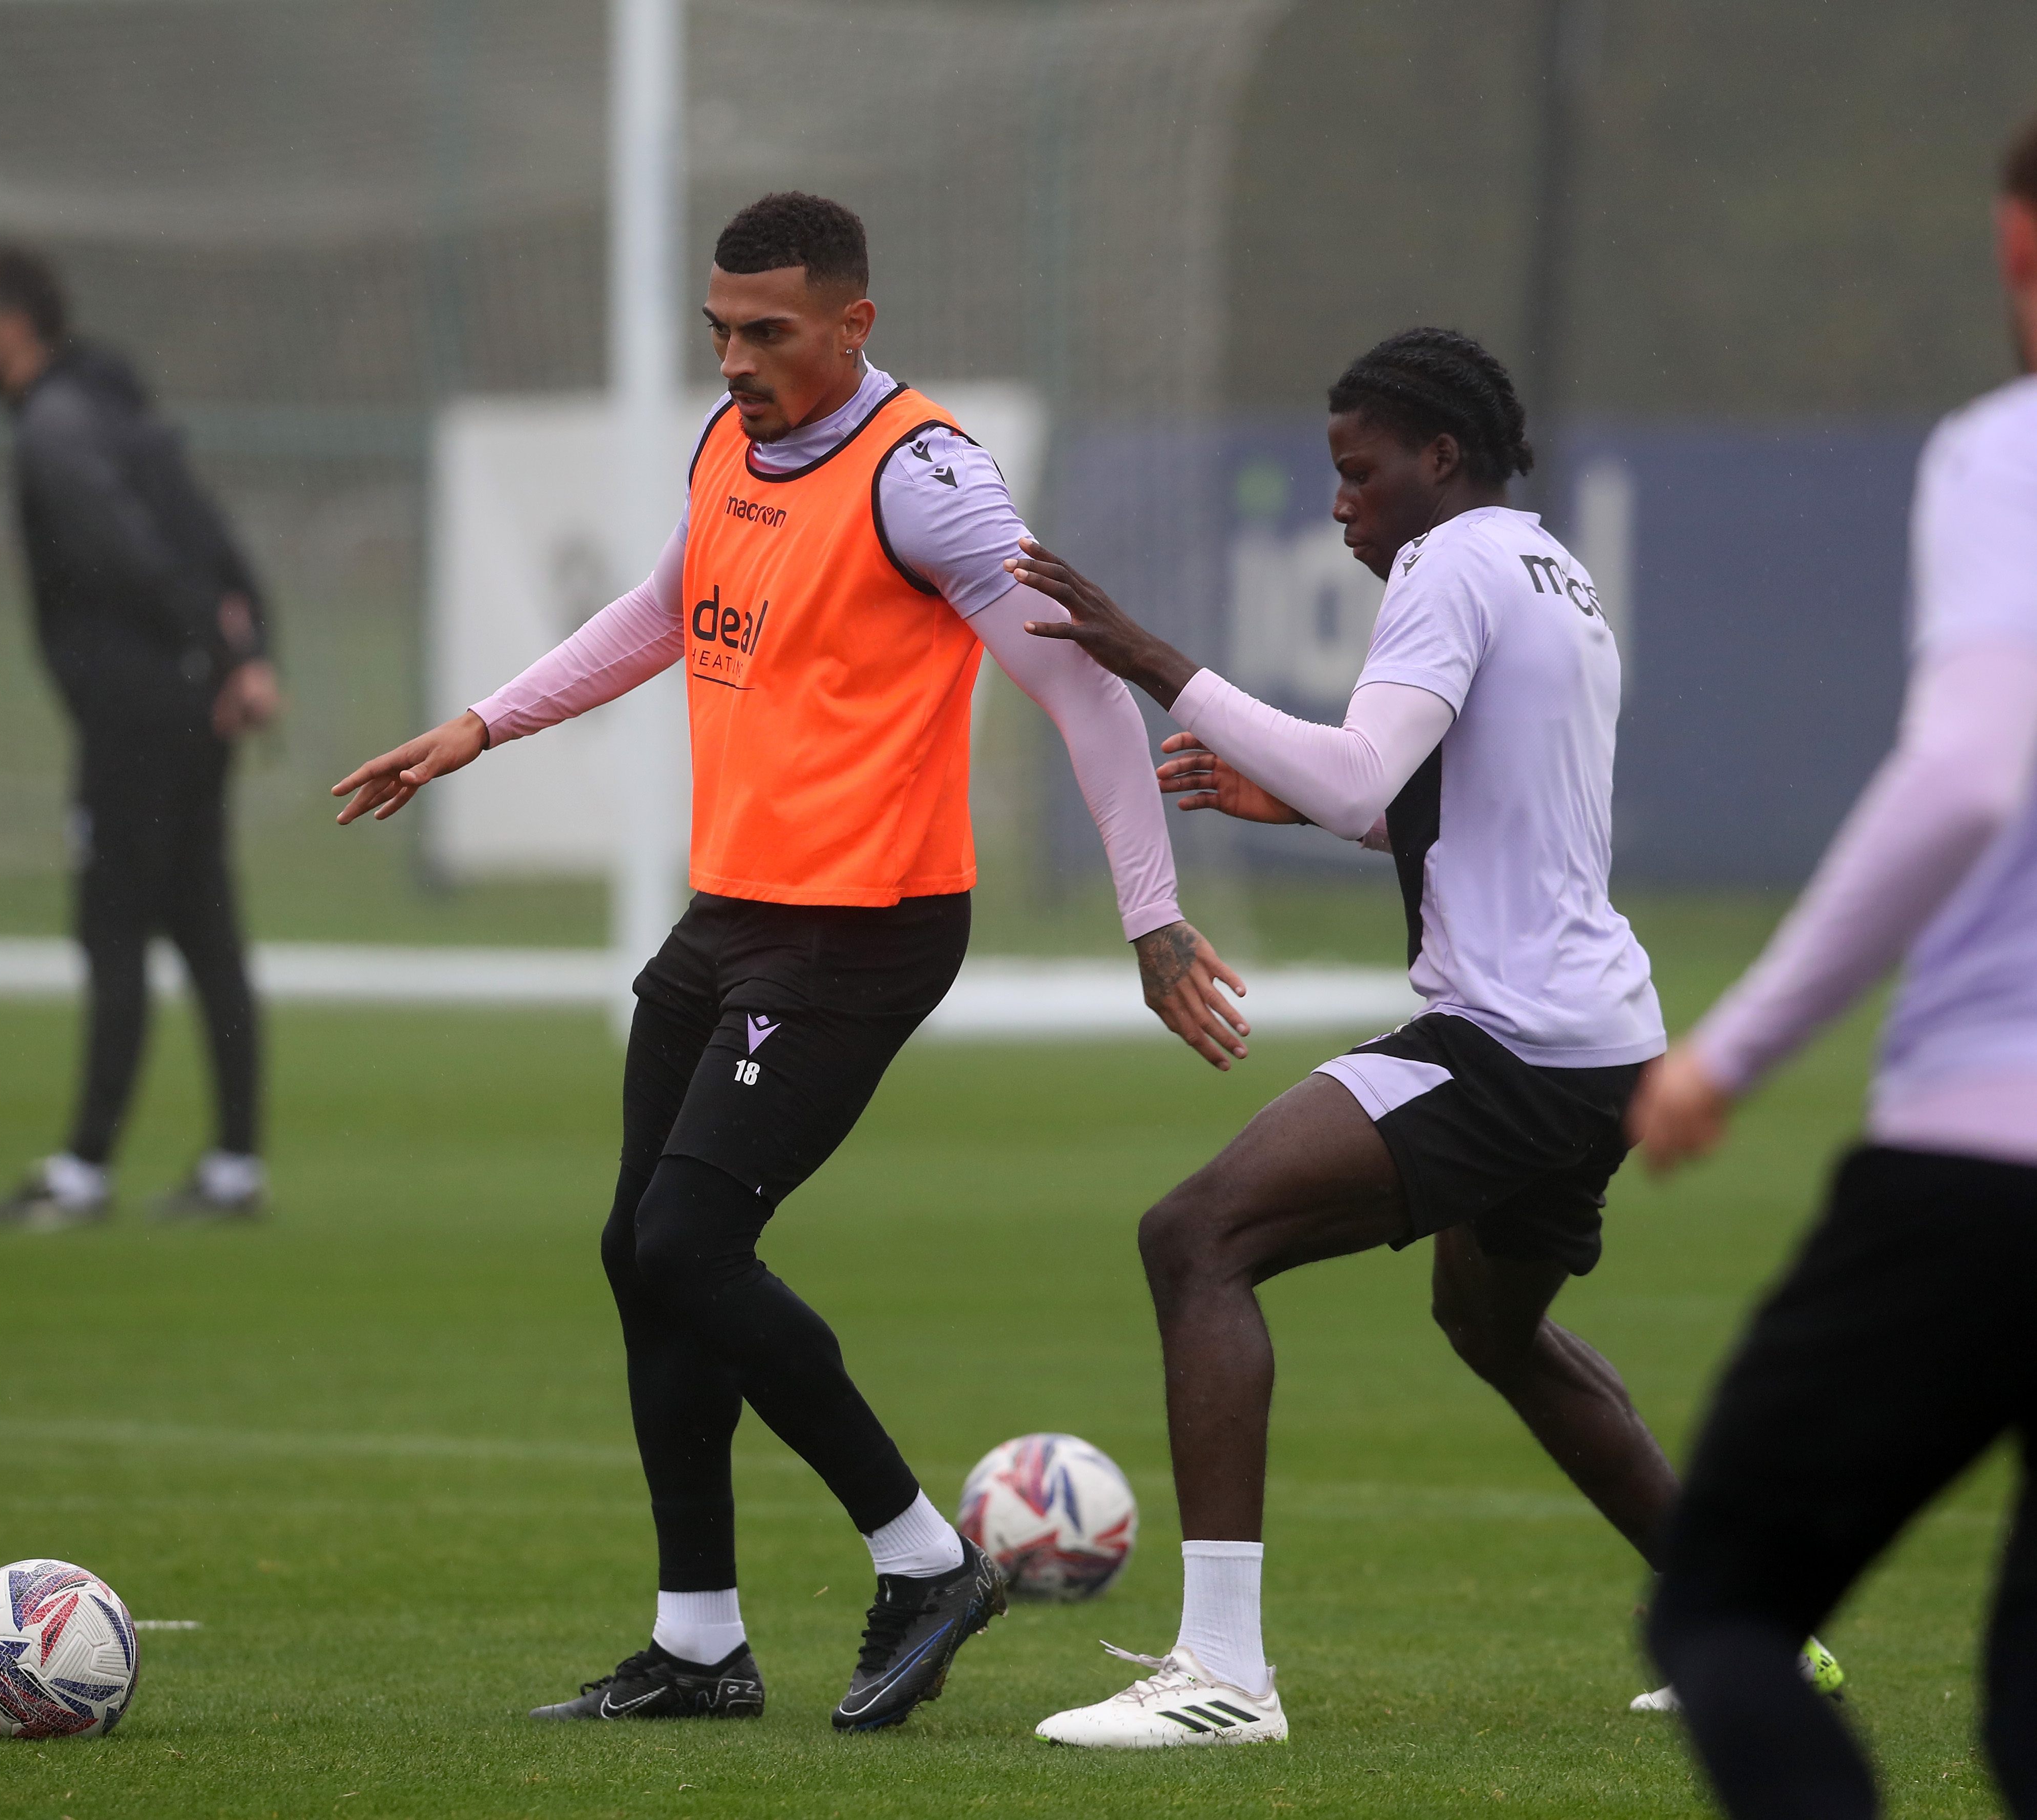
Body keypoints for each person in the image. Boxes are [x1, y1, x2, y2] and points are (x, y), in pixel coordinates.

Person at [332, 192, 1249, 1731]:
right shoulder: (727, 445)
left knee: (691, 1243)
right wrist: (481, 725)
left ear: (853, 325)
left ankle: (926, 1558)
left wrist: (1146, 916)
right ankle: (697, 1644)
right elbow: (659, 608)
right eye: (719, 332)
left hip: (863, 930)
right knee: (640, 1259)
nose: (736, 360)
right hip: (734, 914)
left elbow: (1086, 696)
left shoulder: (929, 481)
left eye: (766, 333)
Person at [1006, 327, 1687, 1748]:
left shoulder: (1448, 566)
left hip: (1508, 1039)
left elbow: (1358, 767)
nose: (1340, 504)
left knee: (1194, 1238)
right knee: (1489, 1327)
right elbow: (1442, 802)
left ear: (1438, 458)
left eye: (1355, 470)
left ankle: (1220, 1679)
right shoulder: (1553, 572)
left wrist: (1153, 660)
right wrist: (1318, 804)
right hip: (1601, 1040)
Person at [1634, 118, 2037, 1820]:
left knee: (1723, 1604)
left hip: (1985, 1158)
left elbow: (1967, 773)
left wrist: (1733, 1046)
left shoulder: (2007, 452)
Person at [0, 245, 280, 1228]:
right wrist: (244, 652)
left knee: (115, 934)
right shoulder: (121, 411)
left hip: (139, 724)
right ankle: (233, 1169)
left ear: (10, 328)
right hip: (190, 710)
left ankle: (84, 1175)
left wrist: (220, 663)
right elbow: (211, 539)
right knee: (207, 933)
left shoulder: (56, 427)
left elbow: (133, 554)